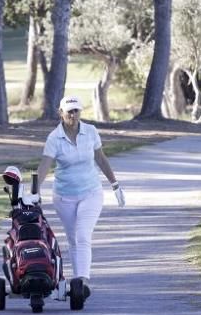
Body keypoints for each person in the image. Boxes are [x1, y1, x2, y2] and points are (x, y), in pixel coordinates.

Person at [23, 95, 125, 299]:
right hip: (64, 196)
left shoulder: (91, 132)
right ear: (61, 113)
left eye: (76, 110)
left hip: (91, 192)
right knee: (72, 240)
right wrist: (34, 191)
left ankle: (82, 281)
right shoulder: (54, 138)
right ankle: (77, 282)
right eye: (69, 111)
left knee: (82, 235)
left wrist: (115, 185)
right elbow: (45, 165)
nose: (73, 114)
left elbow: (101, 159)